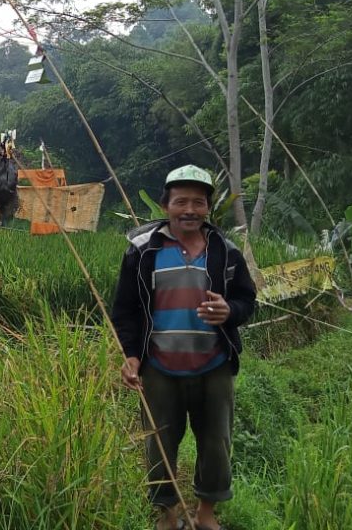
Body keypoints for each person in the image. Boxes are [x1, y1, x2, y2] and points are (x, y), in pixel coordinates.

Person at [110, 165, 257, 530]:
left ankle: (205, 515)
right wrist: (131, 356)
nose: (189, 209)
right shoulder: (142, 251)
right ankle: (168, 515)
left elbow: (246, 300)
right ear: (166, 205)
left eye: (198, 202)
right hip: (159, 366)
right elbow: (124, 311)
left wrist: (229, 311)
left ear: (208, 207)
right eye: (180, 202)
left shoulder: (226, 250)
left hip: (214, 364)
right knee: (158, 445)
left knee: (215, 443)